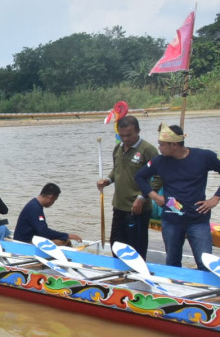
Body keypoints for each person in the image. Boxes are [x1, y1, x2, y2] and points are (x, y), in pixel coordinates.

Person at [135, 123, 220, 270]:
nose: (159, 148)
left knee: (206, 264)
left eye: (162, 145)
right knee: (173, 263)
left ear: (174, 145)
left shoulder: (204, 157)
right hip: (171, 220)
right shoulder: (159, 161)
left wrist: (215, 198)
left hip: (198, 219)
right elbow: (139, 177)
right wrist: (155, 196)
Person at [96, 116, 159, 259]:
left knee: (135, 246)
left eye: (129, 135)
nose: (125, 139)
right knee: (116, 244)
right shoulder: (118, 148)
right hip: (119, 205)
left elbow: (158, 177)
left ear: (138, 131)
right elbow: (117, 170)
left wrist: (143, 197)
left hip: (138, 207)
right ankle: (118, 274)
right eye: (122, 135)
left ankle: (136, 275)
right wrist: (107, 180)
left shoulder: (148, 150)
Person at [13, 183, 82, 246]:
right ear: (50, 198)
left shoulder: (35, 204)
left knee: (63, 239)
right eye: (54, 200)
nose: (53, 203)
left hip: (30, 238)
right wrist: (67, 236)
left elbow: (42, 231)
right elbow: (44, 232)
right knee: (64, 241)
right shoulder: (35, 208)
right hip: (23, 243)